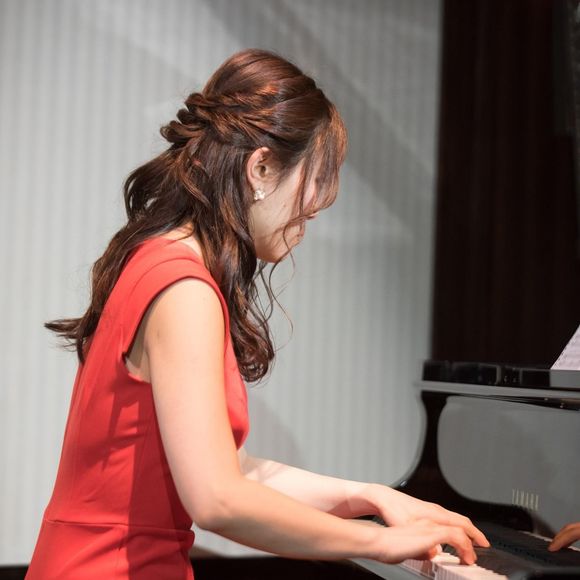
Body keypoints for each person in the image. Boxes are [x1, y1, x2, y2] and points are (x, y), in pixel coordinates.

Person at [26, 49, 488, 579]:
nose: (312, 216)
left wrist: (371, 496)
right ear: (261, 167)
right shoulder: (184, 289)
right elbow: (218, 500)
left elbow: (232, 472)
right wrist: (379, 542)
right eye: (314, 188)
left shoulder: (156, 259)